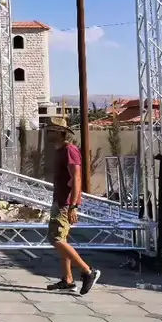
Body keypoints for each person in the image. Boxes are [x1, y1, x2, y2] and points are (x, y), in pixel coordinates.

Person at [45, 118, 102, 295]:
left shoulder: (70, 151)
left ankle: (88, 271)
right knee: (61, 240)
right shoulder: (60, 151)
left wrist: (74, 205)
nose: (47, 133)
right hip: (59, 201)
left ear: (59, 132)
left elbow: (77, 178)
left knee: (56, 239)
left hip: (66, 203)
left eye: (51, 130)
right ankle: (68, 280)